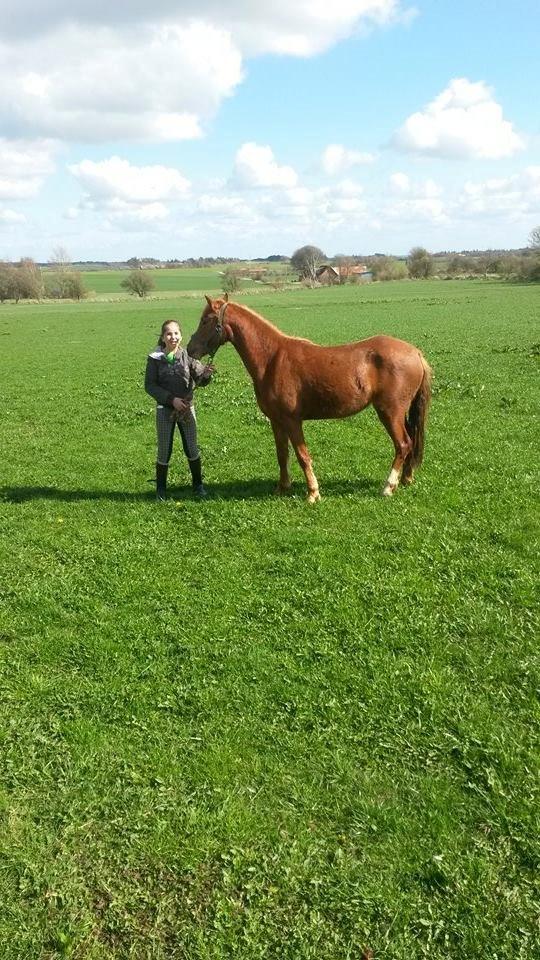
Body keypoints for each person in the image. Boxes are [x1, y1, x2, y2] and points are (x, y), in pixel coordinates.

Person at [144, 319, 214, 500]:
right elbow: (150, 386)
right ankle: (161, 490)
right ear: (163, 337)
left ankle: (198, 486)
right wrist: (171, 399)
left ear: (181, 336)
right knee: (164, 450)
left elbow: (200, 379)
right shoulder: (155, 359)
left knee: (191, 447)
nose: (173, 337)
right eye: (169, 333)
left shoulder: (188, 357)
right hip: (165, 411)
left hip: (186, 411)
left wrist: (206, 375)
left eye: (176, 333)